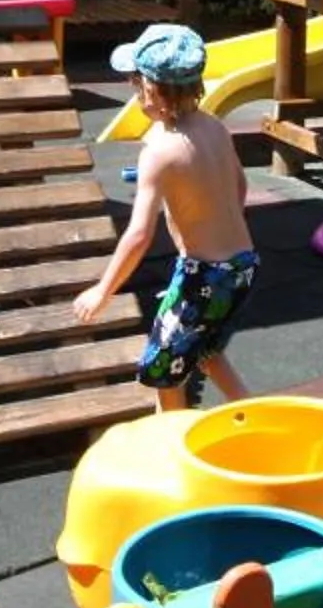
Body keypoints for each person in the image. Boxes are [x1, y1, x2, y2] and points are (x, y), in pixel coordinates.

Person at [73, 22, 257, 408]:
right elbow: (239, 187)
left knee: (161, 369)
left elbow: (139, 234)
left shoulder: (159, 153)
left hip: (204, 277)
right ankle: (255, 414)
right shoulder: (215, 127)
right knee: (205, 350)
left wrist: (103, 290)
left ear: (151, 90)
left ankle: (171, 439)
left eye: (134, 84)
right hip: (242, 266)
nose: (132, 91)